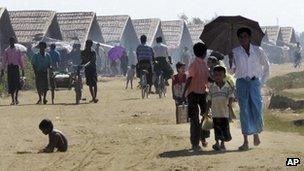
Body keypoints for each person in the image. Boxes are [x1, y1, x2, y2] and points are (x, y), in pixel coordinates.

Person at [231, 27, 270, 151]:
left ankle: (256, 134)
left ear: (249, 37)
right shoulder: (235, 52)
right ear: (238, 39)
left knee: (256, 109)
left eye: (245, 36)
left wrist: (261, 82)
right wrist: (230, 60)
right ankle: (245, 141)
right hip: (241, 83)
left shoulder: (258, 50)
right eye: (240, 37)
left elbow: (266, 66)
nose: (243, 39)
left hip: (254, 83)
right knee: (244, 111)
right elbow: (232, 70)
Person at [182, 42, 210, 151]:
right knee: (204, 117)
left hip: (193, 94)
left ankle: (195, 143)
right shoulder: (204, 65)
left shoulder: (193, 64)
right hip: (202, 94)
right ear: (204, 54)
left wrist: (184, 92)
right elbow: (208, 79)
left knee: (194, 119)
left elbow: (189, 79)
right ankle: (202, 138)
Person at [207, 66, 234, 151]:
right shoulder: (212, 87)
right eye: (216, 75)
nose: (218, 77)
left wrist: (229, 104)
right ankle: (217, 143)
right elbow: (209, 99)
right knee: (217, 128)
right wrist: (207, 109)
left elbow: (231, 96)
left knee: (224, 128)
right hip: (215, 113)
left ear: (224, 75)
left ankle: (222, 143)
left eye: (220, 75)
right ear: (213, 76)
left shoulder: (227, 86)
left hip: (224, 113)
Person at [0, 37, 25, 105]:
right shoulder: (6, 50)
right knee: (11, 83)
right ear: (9, 42)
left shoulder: (18, 50)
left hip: (16, 68)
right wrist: (2, 70)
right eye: (10, 41)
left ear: (14, 42)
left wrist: (23, 70)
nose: (11, 42)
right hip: (10, 68)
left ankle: (16, 98)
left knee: (17, 83)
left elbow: (21, 60)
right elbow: (4, 61)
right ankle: (12, 99)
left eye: (12, 41)